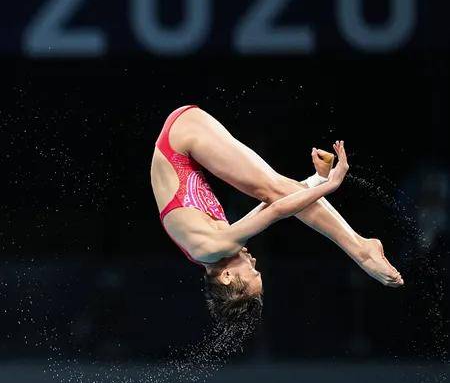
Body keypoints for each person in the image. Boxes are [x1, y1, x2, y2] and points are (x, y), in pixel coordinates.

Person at [150, 105, 403, 323]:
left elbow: (279, 208)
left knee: (270, 189)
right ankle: (360, 247)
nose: (254, 262)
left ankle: (361, 250)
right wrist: (317, 180)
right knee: (272, 189)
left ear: (227, 277)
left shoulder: (213, 246)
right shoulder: (212, 248)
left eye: (253, 272)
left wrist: (331, 185)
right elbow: (273, 205)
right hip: (181, 138)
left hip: (180, 137)